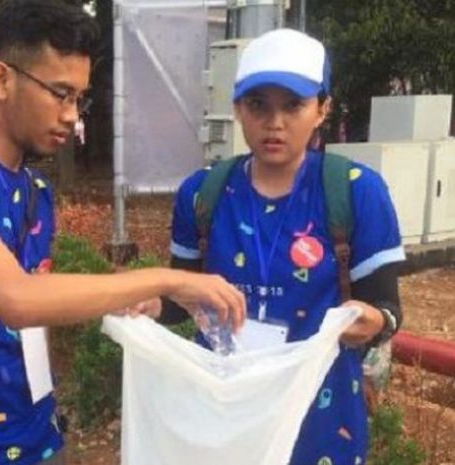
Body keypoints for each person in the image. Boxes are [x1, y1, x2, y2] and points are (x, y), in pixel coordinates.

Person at [0, 1, 246, 464]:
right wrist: (168, 279)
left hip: (37, 439)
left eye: (79, 98)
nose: (73, 115)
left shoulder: (35, 191)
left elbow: (37, 307)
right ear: (1, 80)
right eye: (60, 93)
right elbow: (16, 298)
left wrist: (122, 303)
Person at [162, 29, 403, 465]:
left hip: (321, 416)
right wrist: (144, 304)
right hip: (225, 409)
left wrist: (377, 320)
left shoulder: (355, 192)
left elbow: (387, 307)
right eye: (258, 105)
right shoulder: (203, 194)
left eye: (293, 105)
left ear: (322, 108)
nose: (275, 123)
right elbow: (180, 302)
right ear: (237, 108)